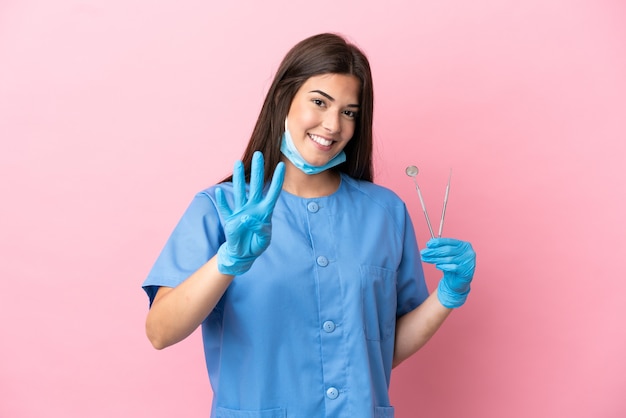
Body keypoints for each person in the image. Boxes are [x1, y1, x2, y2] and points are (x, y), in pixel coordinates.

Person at [143, 32, 476, 418]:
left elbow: (380, 349)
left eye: (349, 112)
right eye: (319, 102)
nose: (333, 125)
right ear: (284, 99)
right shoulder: (221, 208)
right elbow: (160, 332)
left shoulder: (385, 213)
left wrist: (449, 295)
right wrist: (226, 262)